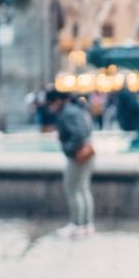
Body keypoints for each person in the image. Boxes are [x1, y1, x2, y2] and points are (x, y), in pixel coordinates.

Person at [47, 90, 95, 237]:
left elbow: (78, 134)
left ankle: (77, 224)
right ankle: (87, 224)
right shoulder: (75, 109)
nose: (50, 107)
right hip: (87, 153)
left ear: (57, 101)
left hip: (77, 155)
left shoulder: (66, 113)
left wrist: (69, 149)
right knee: (84, 188)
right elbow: (87, 129)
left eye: (51, 103)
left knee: (73, 189)